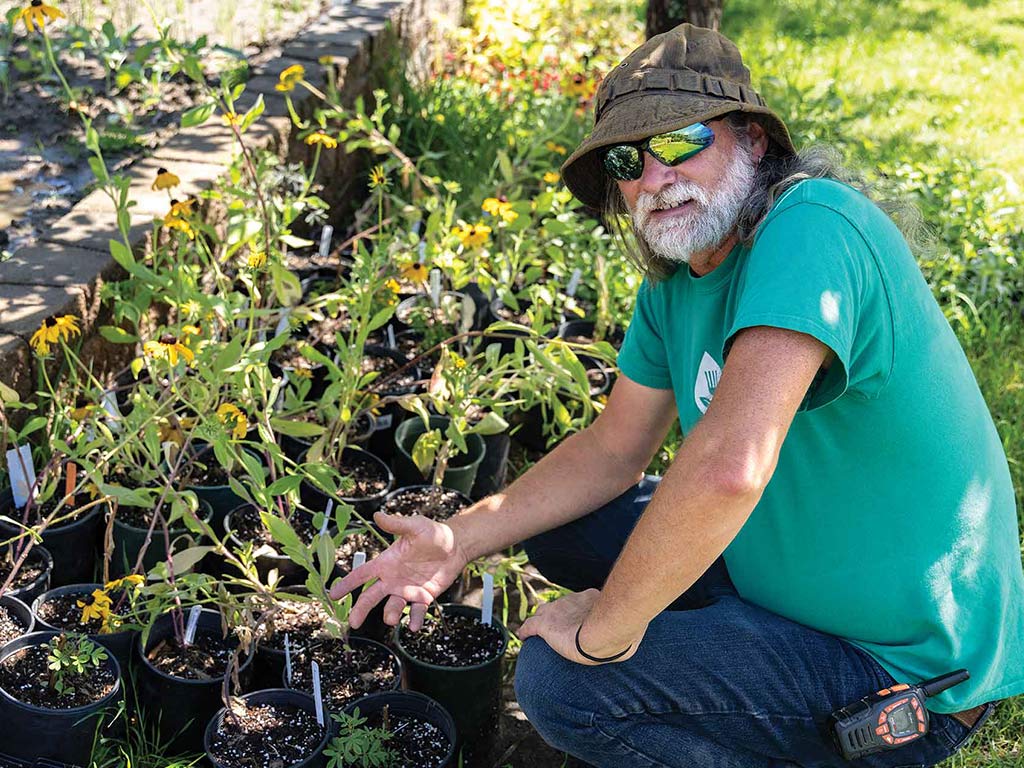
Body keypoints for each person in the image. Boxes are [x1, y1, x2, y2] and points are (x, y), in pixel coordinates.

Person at [329, 23, 1024, 768]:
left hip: (900, 668)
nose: (654, 176)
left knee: (562, 685)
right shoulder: (678, 283)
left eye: (682, 140)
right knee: (559, 523)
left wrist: (607, 632)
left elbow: (732, 466)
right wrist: (458, 538)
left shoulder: (813, 228)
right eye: (628, 159)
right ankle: (723, 645)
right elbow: (611, 448)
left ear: (754, 141)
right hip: (781, 578)